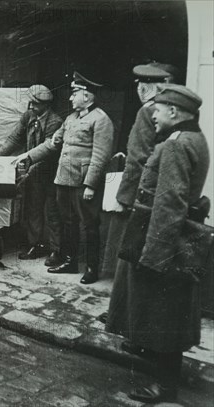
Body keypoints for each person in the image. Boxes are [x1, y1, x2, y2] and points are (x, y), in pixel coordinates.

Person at [109, 84, 209, 403]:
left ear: (175, 112)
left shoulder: (175, 146)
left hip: (166, 241)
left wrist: (155, 256)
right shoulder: (194, 138)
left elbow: (169, 203)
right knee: (166, 314)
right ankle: (160, 376)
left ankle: (163, 388)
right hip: (170, 236)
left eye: (160, 108)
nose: (153, 112)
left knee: (165, 316)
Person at [15, 72, 114, 284]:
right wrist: (28, 155)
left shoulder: (101, 120)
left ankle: (91, 268)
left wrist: (91, 184)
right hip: (64, 181)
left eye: (75, 93)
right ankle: (70, 263)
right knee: (69, 223)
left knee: (90, 225)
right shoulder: (70, 119)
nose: (70, 98)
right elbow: (53, 143)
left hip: (83, 183)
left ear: (87, 96)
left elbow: (100, 155)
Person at [100, 62, 177, 325]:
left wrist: (124, 198)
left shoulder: (148, 111)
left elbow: (138, 159)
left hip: (137, 196)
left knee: (126, 258)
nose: (138, 89)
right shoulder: (171, 112)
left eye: (140, 85)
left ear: (145, 87)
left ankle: (120, 314)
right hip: (155, 196)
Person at [0, 85, 63, 266]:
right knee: (33, 209)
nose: (31, 106)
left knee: (52, 212)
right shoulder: (28, 116)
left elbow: (48, 150)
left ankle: (56, 250)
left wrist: (27, 171)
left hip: (51, 172)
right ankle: (35, 245)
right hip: (34, 173)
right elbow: (14, 138)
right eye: (31, 102)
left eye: (36, 103)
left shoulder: (55, 122)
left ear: (46, 105)